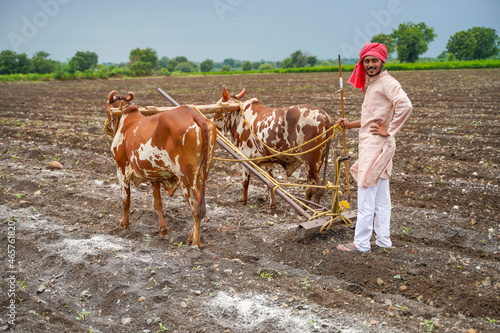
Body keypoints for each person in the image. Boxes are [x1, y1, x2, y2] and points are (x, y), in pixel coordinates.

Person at [337, 42, 412, 252]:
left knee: (366, 193)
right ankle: (383, 241)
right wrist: (350, 124)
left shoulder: (387, 82)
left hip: (377, 146)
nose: (370, 64)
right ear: (363, 63)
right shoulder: (374, 84)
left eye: (374, 61)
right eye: (367, 61)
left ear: (382, 61)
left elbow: (405, 105)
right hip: (378, 146)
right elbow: (372, 118)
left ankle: (360, 244)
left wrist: (390, 130)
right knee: (381, 198)